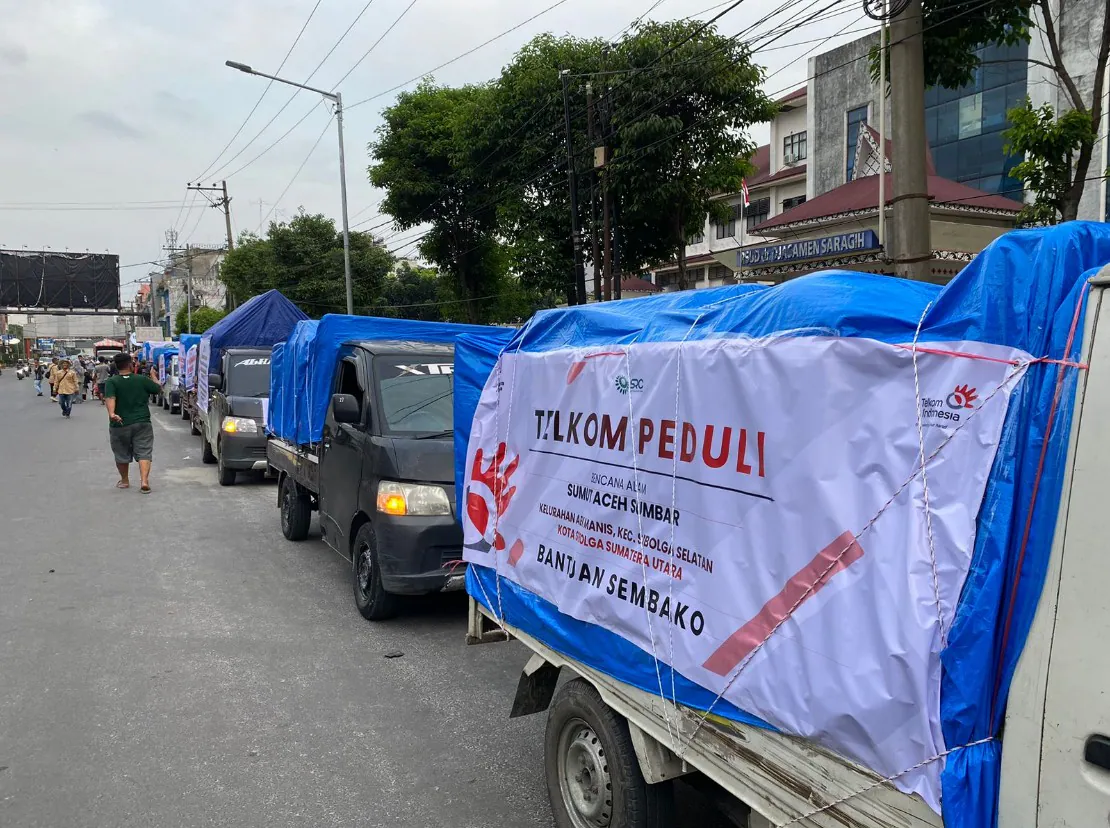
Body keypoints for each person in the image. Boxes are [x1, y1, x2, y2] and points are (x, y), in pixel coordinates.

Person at [104, 352, 161, 493]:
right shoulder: (141, 379)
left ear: (116, 366)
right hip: (142, 422)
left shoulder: (112, 382)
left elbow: (110, 397)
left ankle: (124, 481)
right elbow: (158, 389)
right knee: (144, 451)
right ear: (130, 364)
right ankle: (144, 481)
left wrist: (112, 413)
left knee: (121, 452)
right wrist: (153, 376)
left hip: (120, 424)